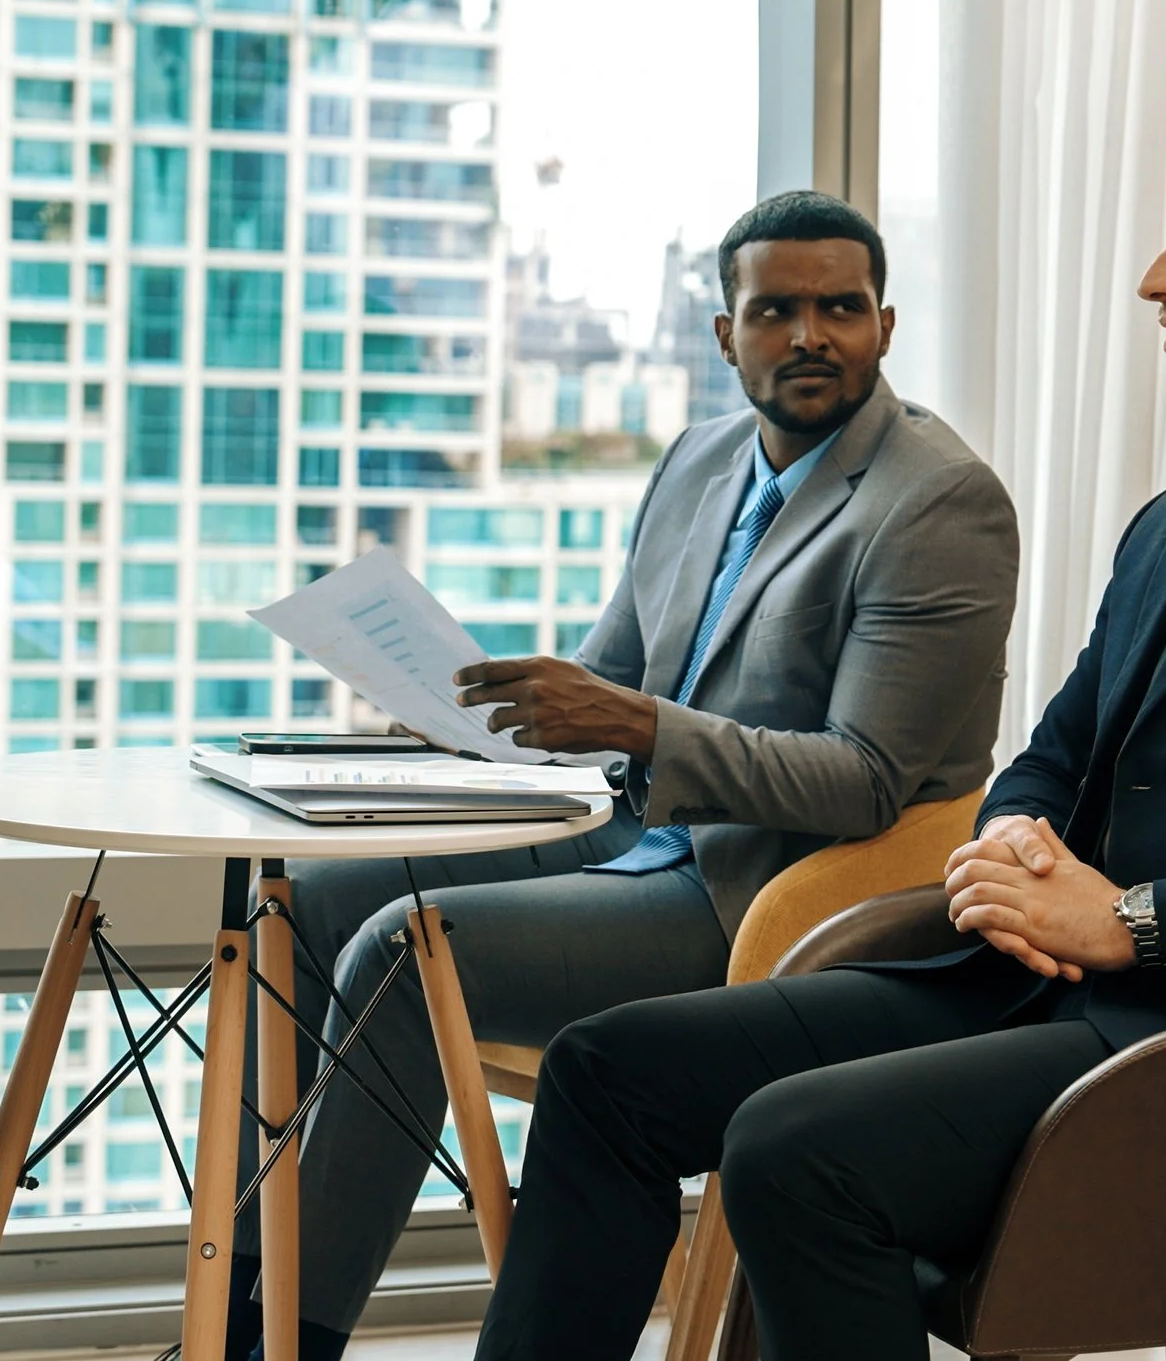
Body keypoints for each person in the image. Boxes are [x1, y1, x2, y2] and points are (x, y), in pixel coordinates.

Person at [472, 100, 1166, 1360]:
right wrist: (1013, 843)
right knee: (603, 1071)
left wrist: (1132, 919)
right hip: (1025, 988)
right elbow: (1052, 755)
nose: (1153, 280)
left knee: (794, 1148)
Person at [228, 191, 1020, 1360]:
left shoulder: (937, 503)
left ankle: (279, 1343)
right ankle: (243, 1294)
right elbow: (609, 681)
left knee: (402, 947)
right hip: (629, 833)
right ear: (724, 334)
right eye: (777, 309)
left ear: (885, 325)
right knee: (304, 893)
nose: (811, 334)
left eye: (840, 307)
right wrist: (454, 721)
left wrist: (636, 722)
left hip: (767, 894)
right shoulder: (699, 461)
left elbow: (863, 779)